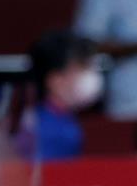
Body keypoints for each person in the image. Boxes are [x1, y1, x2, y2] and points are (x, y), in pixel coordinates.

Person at [17, 29, 102, 163]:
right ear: (55, 80)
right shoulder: (45, 132)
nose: (90, 75)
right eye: (82, 68)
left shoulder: (64, 121)